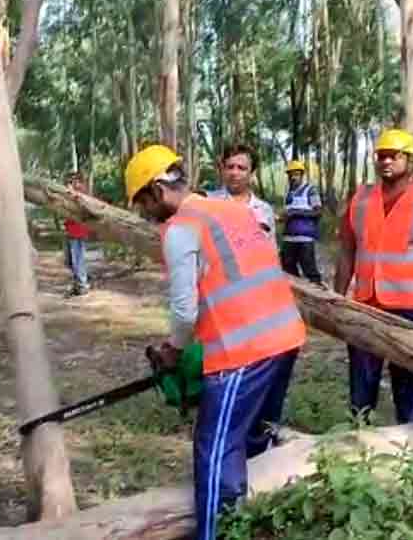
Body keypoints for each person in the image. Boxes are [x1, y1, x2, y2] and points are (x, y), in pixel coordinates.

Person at [125, 144, 306, 540]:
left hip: (243, 350)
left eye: (143, 203)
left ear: (157, 189)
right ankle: (257, 524)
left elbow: (185, 311)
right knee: (257, 438)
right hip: (285, 335)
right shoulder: (229, 209)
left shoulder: (180, 229)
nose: (144, 214)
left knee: (215, 450)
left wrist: (174, 349)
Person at [333, 128, 413, 424]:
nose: (386, 161)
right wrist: (336, 297)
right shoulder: (360, 198)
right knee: (361, 388)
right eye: (381, 156)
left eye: (394, 156)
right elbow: (347, 250)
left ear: (410, 161)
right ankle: (359, 444)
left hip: (411, 311)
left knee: (410, 388)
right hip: (365, 306)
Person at [206, 143, 277, 243]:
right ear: (223, 170)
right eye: (230, 167)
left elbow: (271, 250)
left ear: (252, 173)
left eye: (241, 168)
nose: (234, 173)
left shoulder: (265, 210)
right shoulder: (208, 202)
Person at [280, 160, 324, 286]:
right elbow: (287, 213)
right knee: (288, 270)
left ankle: (319, 297)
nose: (293, 177)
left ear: (302, 175)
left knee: (310, 271)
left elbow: (318, 212)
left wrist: (296, 213)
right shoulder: (288, 194)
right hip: (288, 238)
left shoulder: (310, 190)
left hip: (304, 239)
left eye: (296, 174)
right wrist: (282, 218)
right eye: (291, 175)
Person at [63, 172, 92, 298]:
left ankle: (82, 284)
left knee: (77, 259)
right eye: (71, 181)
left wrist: (71, 192)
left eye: (74, 181)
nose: (72, 184)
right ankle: (79, 282)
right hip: (72, 230)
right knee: (71, 260)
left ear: (80, 181)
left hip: (78, 231)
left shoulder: (81, 193)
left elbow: (80, 203)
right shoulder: (72, 193)